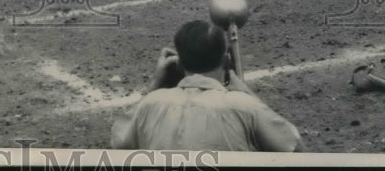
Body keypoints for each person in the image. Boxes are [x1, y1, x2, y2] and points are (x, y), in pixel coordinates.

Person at [110, 20, 304, 152]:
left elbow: (118, 143)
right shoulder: (243, 105)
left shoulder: (150, 104)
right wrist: (247, 93)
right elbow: (295, 148)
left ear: (178, 63)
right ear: (227, 60)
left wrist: (153, 85)